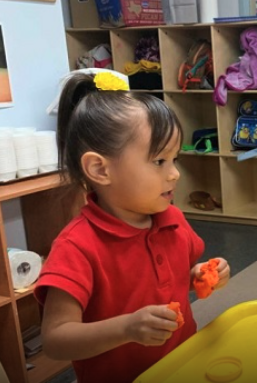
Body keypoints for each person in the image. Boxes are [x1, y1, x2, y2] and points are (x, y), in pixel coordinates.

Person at [34, 72, 230, 382]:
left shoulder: (172, 219)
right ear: (100, 169)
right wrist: (126, 328)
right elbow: (56, 340)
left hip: (181, 365)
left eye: (174, 159)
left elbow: (178, 276)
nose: (175, 174)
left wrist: (202, 275)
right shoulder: (77, 247)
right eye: (159, 162)